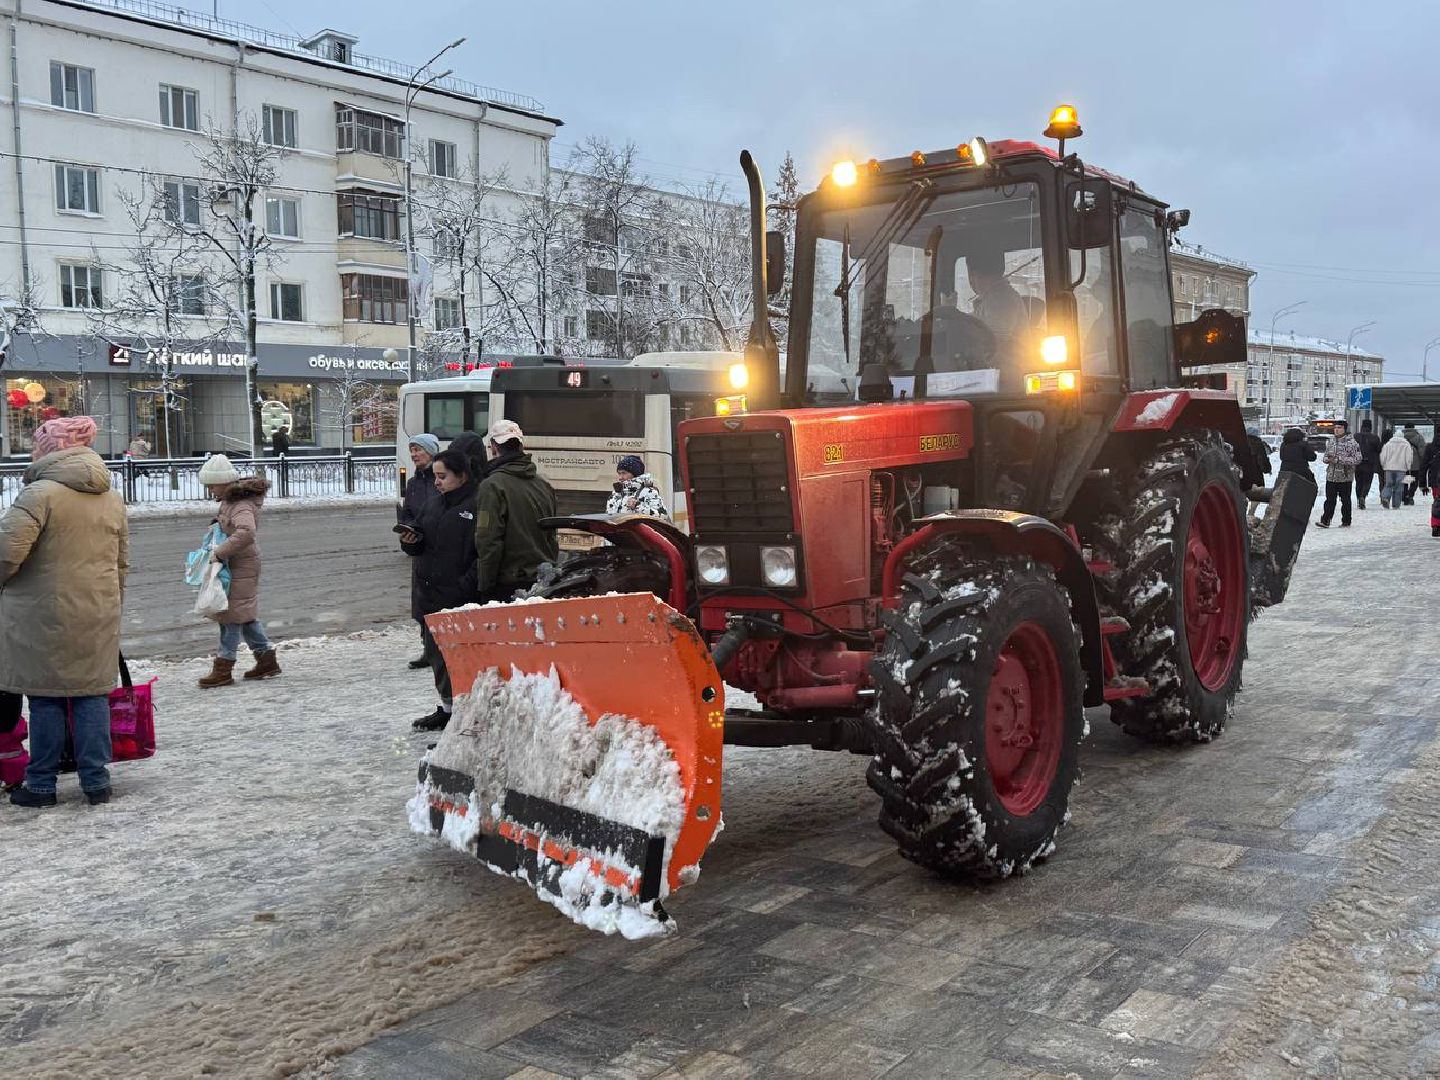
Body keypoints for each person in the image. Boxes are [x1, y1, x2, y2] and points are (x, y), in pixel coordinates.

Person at [1, 416, 128, 808]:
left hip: (44, 614)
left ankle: (40, 784)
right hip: (97, 608)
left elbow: (7, 554)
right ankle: (96, 781)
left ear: (49, 450)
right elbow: (120, 561)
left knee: (46, 698)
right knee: (91, 694)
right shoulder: (111, 496)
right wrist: (110, 602)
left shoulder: (40, 494)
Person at [399, 449, 480, 731]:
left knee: (460, 659)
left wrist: (464, 587)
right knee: (436, 656)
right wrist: (410, 541)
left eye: (442, 476)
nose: (437, 482)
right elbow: (420, 537)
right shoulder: (434, 504)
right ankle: (447, 707)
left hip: (459, 597)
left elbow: (483, 554)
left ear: (462, 476)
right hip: (430, 593)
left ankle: (465, 710)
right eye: (435, 476)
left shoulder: (476, 505)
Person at [196, 454, 280, 688]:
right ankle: (266, 660)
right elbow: (234, 525)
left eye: (212, 485)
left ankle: (224, 667)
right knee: (244, 615)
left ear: (223, 482)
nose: (210, 490)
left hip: (241, 564)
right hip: (239, 562)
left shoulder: (240, 504)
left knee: (230, 616)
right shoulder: (232, 502)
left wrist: (220, 551)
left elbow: (246, 532)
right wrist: (217, 523)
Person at [475, 420, 558, 603]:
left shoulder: (492, 486)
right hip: (543, 581)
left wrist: (485, 586)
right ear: (521, 445)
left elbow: (488, 540)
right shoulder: (544, 485)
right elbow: (552, 536)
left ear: (494, 448)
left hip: (508, 584)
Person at [400, 433, 442, 670]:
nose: (414, 455)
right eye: (412, 450)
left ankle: (442, 648)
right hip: (421, 551)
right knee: (421, 601)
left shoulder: (440, 479)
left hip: (441, 548)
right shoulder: (414, 484)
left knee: (440, 598)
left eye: (419, 450)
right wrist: (408, 532)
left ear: (431, 451)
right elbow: (407, 514)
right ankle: (428, 648)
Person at [965, 248, 1030, 355]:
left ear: (973, 274)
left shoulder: (1000, 299)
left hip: (1007, 368)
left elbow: (994, 343)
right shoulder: (992, 298)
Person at [1315, 419, 1360, 529]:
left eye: (1339, 428)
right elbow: (1326, 455)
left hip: (1345, 477)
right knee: (1329, 500)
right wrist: (1326, 459)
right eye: (1335, 428)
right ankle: (1325, 520)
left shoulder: (1352, 443)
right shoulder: (1331, 441)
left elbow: (1357, 459)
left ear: (1344, 429)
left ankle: (1346, 521)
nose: (1337, 430)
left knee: (1345, 500)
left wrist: (1339, 459)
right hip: (1331, 476)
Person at [1378, 428, 1413, 510]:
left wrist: (1384, 465)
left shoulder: (1388, 444)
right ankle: (1396, 505)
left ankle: (1385, 498)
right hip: (1401, 469)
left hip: (1389, 468)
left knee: (1388, 484)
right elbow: (1408, 457)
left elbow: (1382, 456)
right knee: (1399, 486)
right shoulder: (1406, 444)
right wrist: (1408, 467)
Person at [1353, 419, 1382, 509]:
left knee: (1358, 482)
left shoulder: (1355, 436)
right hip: (1369, 463)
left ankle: (1359, 499)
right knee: (1367, 482)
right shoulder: (1375, 438)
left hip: (1358, 463)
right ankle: (1363, 496)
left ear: (1362, 426)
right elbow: (1379, 451)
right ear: (1370, 427)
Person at [1401, 424, 1427, 506]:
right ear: (1413, 428)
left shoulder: (1400, 437)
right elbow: (1422, 452)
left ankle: (1404, 496)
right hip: (1416, 464)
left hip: (1403, 463)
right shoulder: (1419, 437)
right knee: (1414, 481)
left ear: (1405, 428)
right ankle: (1410, 495)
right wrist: (1423, 462)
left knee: (1404, 481)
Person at [1422, 436, 1440, 537]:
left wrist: (1423, 483)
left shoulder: (1430, 447)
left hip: (1435, 480)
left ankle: (1436, 526)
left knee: (1438, 502)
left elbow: (1424, 465)